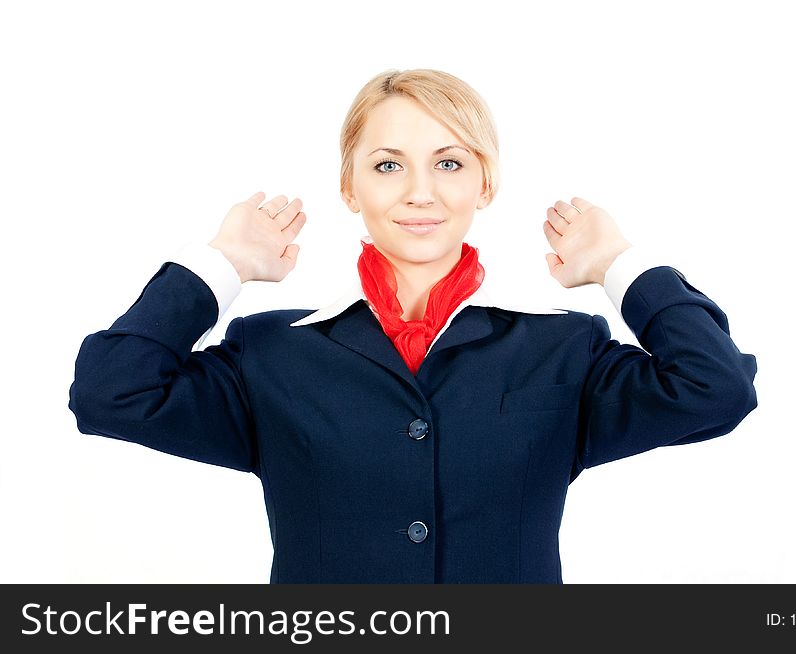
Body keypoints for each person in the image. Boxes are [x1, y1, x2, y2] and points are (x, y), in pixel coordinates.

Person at [69, 68, 758, 583]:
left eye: (450, 163)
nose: (419, 191)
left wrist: (619, 267)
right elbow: (109, 394)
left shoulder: (563, 349)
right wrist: (217, 269)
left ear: (484, 184)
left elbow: (716, 389)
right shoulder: (271, 352)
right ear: (350, 187)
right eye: (388, 165)